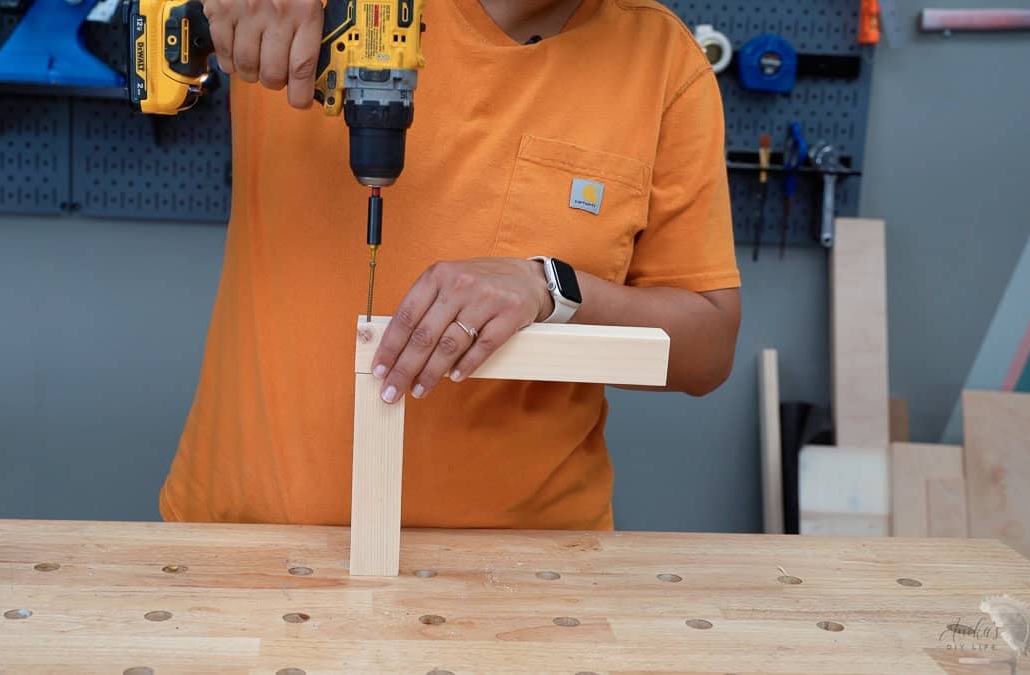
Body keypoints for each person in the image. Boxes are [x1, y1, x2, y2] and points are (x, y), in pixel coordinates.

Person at [160, 0, 742, 530]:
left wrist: (551, 287)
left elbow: (708, 350)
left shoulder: (660, 61)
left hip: (525, 576)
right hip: (245, 548)